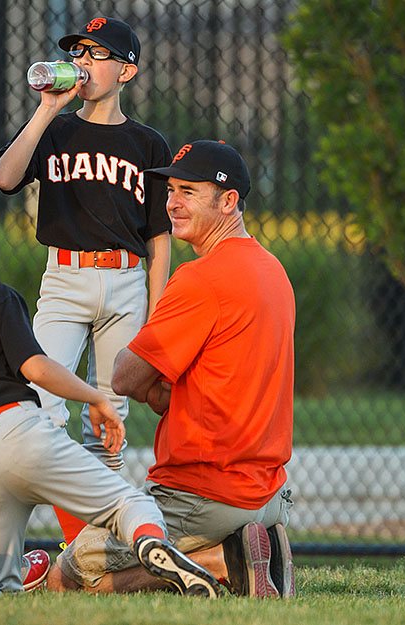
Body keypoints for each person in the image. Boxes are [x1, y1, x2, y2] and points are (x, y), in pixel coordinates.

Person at [0, 193, 221, 596]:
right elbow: (36, 367)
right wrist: (96, 398)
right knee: (129, 505)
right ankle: (149, 543)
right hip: (18, 432)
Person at [46, 140, 296, 598]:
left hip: (204, 493)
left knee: (68, 575)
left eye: (188, 192)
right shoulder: (273, 269)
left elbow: (124, 376)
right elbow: (188, 385)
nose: (171, 203)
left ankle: (222, 560)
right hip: (268, 495)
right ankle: (249, 545)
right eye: (170, 190)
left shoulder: (201, 278)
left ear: (228, 202)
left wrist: (146, 366)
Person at [0, 17, 172, 543]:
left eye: (98, 54)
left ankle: (93, 547)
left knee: (109, 417)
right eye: (79, 53)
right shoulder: (57, 128)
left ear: (127, 71)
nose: (85, 62)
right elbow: (4, 179)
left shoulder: (148, 143)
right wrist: (47, 109)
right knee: (40, 406)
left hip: (125, 283)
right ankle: (25, 539)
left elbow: (159, 239)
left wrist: (156, 311)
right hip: (65, 278)